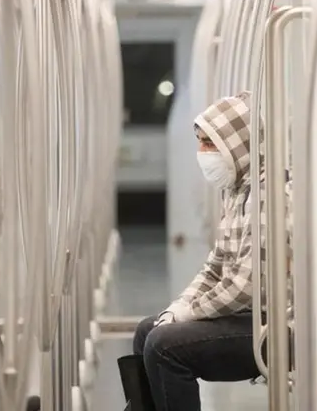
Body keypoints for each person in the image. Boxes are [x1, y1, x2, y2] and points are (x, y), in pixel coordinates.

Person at [131, 92, 291, 411]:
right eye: (201, 142)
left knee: (163, 346)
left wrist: (191, 313)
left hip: (279, 325)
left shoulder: (269, 193)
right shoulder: (237, 191)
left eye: (209, 144)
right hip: (252, 317)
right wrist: (177, 308)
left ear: (236, 145)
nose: (202, 153)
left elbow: (245, 286)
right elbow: (214, 268)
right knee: (148, 330)